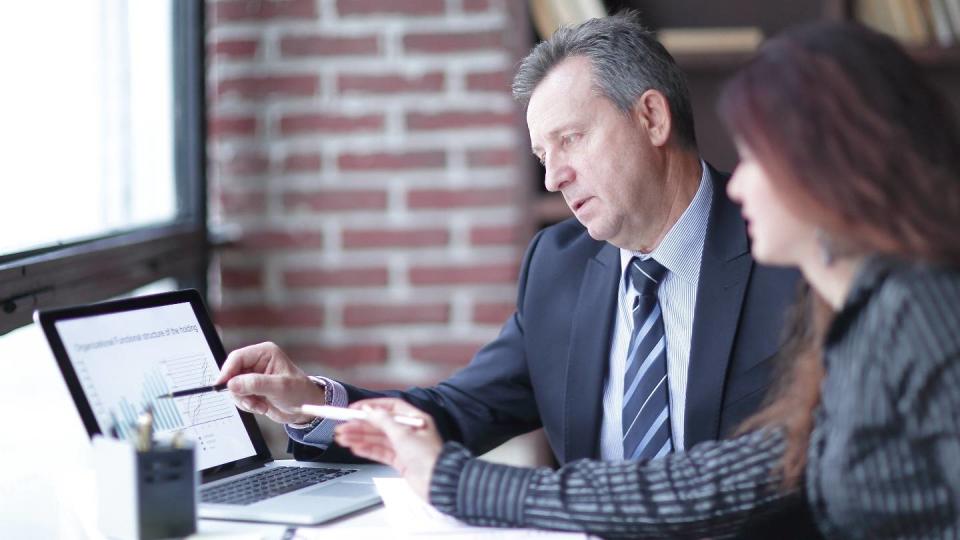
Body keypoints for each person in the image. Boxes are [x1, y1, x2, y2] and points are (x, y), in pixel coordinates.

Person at [334, 21, 960, 539]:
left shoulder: (913, 310)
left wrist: (459, 482)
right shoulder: (863, 317)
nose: (738, 182)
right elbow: (714, 481)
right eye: (542, 156)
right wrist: (344, 415)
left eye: (759, 159)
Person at [217, 12, 796, 490]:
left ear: (651, 117)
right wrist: (312, 404)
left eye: (570, 139)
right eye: (543, 156)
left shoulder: (789, 252)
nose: (554, 179)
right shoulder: (559, 265)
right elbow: (455, 413)